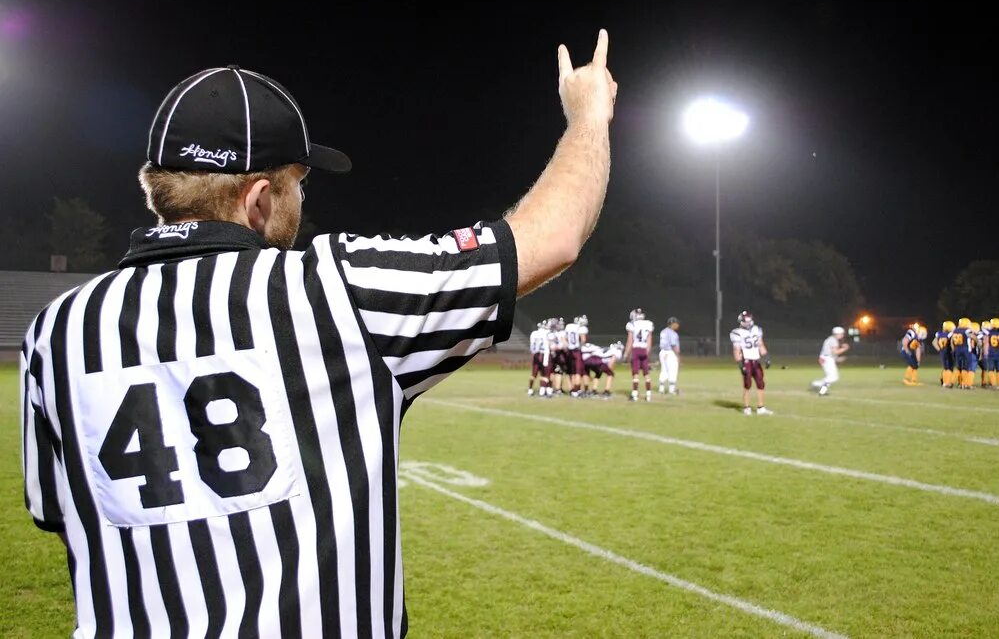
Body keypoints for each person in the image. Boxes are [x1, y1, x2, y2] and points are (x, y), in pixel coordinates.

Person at [20, 31, 617, 637]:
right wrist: (588, 115)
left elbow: (57, 509)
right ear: (258, 199)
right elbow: (551, 239)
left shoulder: (56, 331)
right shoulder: (332, 291)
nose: (301, 199)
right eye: (297, 183)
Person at [730, 311, 773, 415]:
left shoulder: (757, 329)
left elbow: (760, 344)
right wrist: (741, 365)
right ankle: (746, 407)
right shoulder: (736, 332)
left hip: (756, 360)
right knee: (747, 384)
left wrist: (766, 357)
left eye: (749, 321)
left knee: (761, 384)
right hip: (746, 361)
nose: (748, 323)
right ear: (741, 322)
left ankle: (761, 407)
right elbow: (736, 350)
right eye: (746, 321)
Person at [624, 308, 654, 401]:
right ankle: (648, 395)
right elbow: (649, 341)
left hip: (636, 349)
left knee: (635, 373)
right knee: (646, 373)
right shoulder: (648, 324)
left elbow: (630, 341)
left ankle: (634, 395)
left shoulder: (632, 324)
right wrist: (647, 353)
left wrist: (626, 354)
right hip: (644, 349)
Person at [811, 326, 850, 395]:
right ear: (837, 334)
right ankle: (819, 386)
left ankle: (819, 388)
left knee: (831, 377)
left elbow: (830, 353)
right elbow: (835, 352)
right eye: (841, 334)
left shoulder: (831, 339)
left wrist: (837, 359)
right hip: (826, 359)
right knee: (833, 377)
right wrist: (845, 348)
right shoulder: (833, 340)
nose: (842, 335)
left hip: (825, 358)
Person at [658, 316, 681, 395]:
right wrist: (677, 355)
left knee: (664, 370)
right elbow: (674, 345)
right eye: (676, 323)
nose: (677, 325)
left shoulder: (663, 331)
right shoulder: (672, 333)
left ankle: (661, 389)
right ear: (672, 324)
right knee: (673, 370)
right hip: (670, 352)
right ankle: (672, 390)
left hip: (662, 352)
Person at [528, 320, 552, 397]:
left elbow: (532, 346)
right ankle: (542, 391)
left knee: (533, 374)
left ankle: (530, 389)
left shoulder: (534, 333)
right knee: (545, 374)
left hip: (536, 354)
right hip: (544, 355)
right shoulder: (547, 333)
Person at [984, 318, 999, 390]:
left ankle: (994, 384)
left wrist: (985, 353)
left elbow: (986, 343)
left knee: (991, 370)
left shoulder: (989, 333)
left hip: (991, 353)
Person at [950, 317, 974, 388]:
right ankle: (965, 383)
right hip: (966, 350)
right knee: (965, 367)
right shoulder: (967, 330)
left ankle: (951, 382)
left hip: (957, 350)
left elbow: (951, 341)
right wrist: (977, 342)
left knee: (958, 367)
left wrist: (953, 349)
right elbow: (972, 337)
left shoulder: (955, 330)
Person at [932, 320, 956, 388]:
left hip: (942, 352)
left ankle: (944, 380)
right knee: (949, 368)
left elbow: (934, 342)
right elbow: (951, 343)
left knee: (945, 367)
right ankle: (947, 382)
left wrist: (939, 349)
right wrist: (953, 350)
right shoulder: (950, 334)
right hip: (948, 352)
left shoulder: (939, 333)